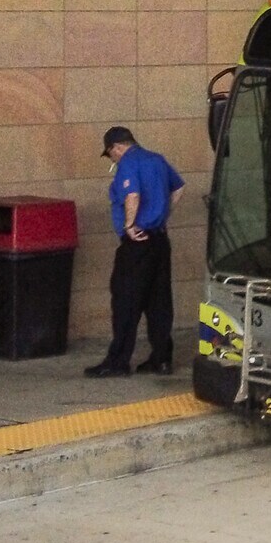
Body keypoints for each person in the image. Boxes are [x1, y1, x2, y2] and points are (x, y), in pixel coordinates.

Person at [86, 126, 186, 378]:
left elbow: (132, 194)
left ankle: (118, 361)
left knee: (125, 301)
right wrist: (161, 216)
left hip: (137, 243)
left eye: (111, 156)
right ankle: (161, 359)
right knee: (159, 302)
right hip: (160, 241)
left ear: (115, 148)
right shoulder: (157, 159)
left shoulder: (128, 163)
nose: (113, 160)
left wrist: (130, 225)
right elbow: (179, 188)